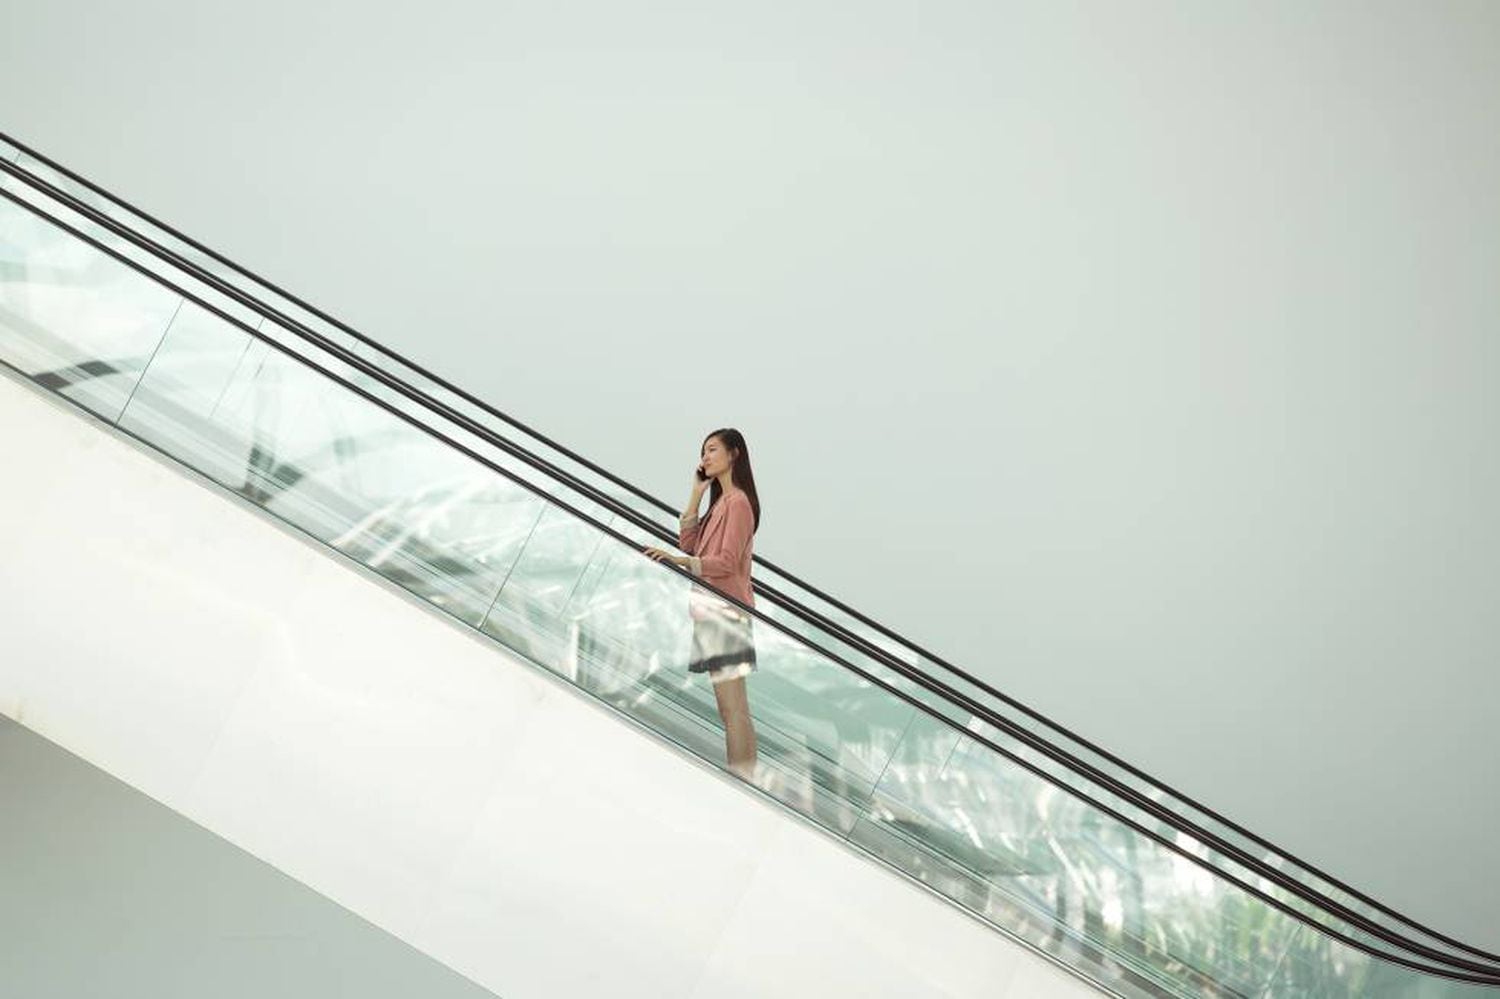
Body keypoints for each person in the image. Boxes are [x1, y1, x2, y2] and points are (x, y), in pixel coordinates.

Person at [642, 428, 762, 781]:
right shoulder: (722, 503)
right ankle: (744, 777)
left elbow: (725, 562)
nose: (705, 457)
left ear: (734, 454)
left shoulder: (738, 503)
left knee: (734, 709)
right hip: (712, 611)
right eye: (703, 452)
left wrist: (680, 562)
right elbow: (690, 544)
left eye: (712, 450)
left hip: (726, 612)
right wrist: (696, 493)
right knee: (729, 709)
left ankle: (745, 780)